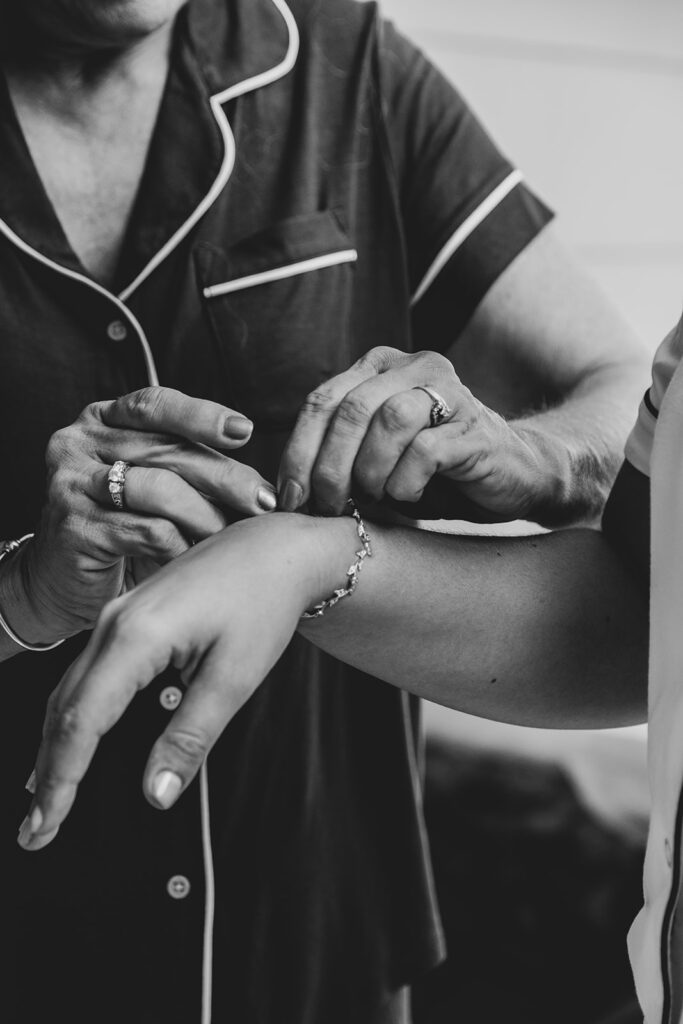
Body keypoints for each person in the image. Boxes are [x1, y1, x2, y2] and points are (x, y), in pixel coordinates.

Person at [0, 0, 648, 1021]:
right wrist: (21, 595)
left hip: (324, 941)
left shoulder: (347, 63)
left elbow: (623, 398)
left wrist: (546, 456)